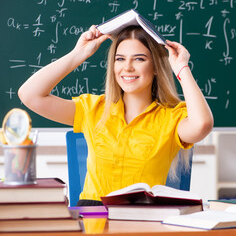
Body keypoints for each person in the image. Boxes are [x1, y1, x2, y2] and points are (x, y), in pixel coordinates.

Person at [18, 25, 214, 206]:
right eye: (120, 59)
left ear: (155, 67)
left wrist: (181, 68)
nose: (127, 67)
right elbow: (30, 95)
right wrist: (79, 53)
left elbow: (202, 124)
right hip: (92, 215)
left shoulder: (171, 117)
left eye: (139, 59)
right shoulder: (93, 109)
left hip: (142, 217)